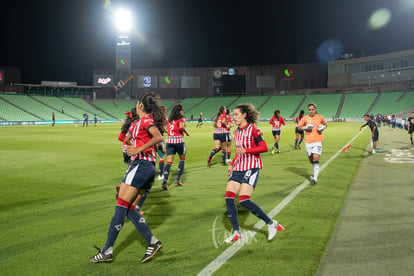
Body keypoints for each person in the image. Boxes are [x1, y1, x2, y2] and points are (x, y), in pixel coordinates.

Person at [90, 92, 165, 264]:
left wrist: (137, 150)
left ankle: (107, 250)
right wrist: (131, 146)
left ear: (140, 105)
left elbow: (158, 137)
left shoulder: (145, 121)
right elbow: (127, 138)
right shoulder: (137, 123)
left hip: (140, 165)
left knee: (120, 207)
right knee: (130, 208)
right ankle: (152, 242)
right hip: (145, 167)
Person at [224, 103, 284, 244]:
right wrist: (232, 165)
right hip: (238, 167)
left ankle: (270, 223)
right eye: (233, 115)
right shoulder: (236, 132)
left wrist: (247, 151)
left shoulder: (253, 130)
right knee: (228, 197)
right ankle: (237, 232)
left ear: (244, 115)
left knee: (244, 200)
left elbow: (263, 147)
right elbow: (238, 152)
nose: (234, 118)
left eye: (236, 115)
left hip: (252, 166)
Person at [161, 104, 190, 190]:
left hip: (169, 141)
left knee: (169, 161)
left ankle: (165, 181)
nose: (183, 111)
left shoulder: (170, 120)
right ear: (179, 111)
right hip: (179, 141)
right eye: (182, 110)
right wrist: (186, 132)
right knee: (182, 158)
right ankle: (177, 179)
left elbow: (165, 128)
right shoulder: (180, 119)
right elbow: (181, 127)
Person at [298, 103, 327, 185]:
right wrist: (305, 128)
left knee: (315, 159)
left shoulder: (320, 117)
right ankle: (315, 168)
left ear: (315, 109)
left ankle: (315, 178)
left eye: (312, 109)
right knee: (311, 160)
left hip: (318, 141)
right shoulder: (305, 118)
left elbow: (325, 124)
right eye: (309, 110)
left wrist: (323, 128)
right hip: (308, 142)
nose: (311, 111)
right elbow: (299, 127)